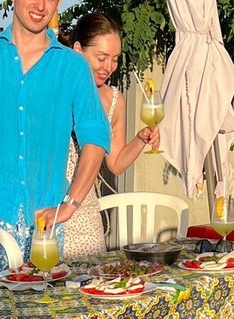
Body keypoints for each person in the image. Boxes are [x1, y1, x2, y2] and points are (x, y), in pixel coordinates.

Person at [0, 0, 111, 274]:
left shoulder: (73, 67)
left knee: (44, 301)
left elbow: (96, 137)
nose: (41, 5)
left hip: (45, 225)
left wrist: (70, 204)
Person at [60, 13, 160, 258]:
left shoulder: (115, 99)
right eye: (101, 58)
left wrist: (141, 139)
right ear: (77, 49)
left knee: (90, 279)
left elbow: (115, 164)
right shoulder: (54, 87)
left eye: (115, 59)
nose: (109, 67)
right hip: (46, 205)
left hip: (84, 212)